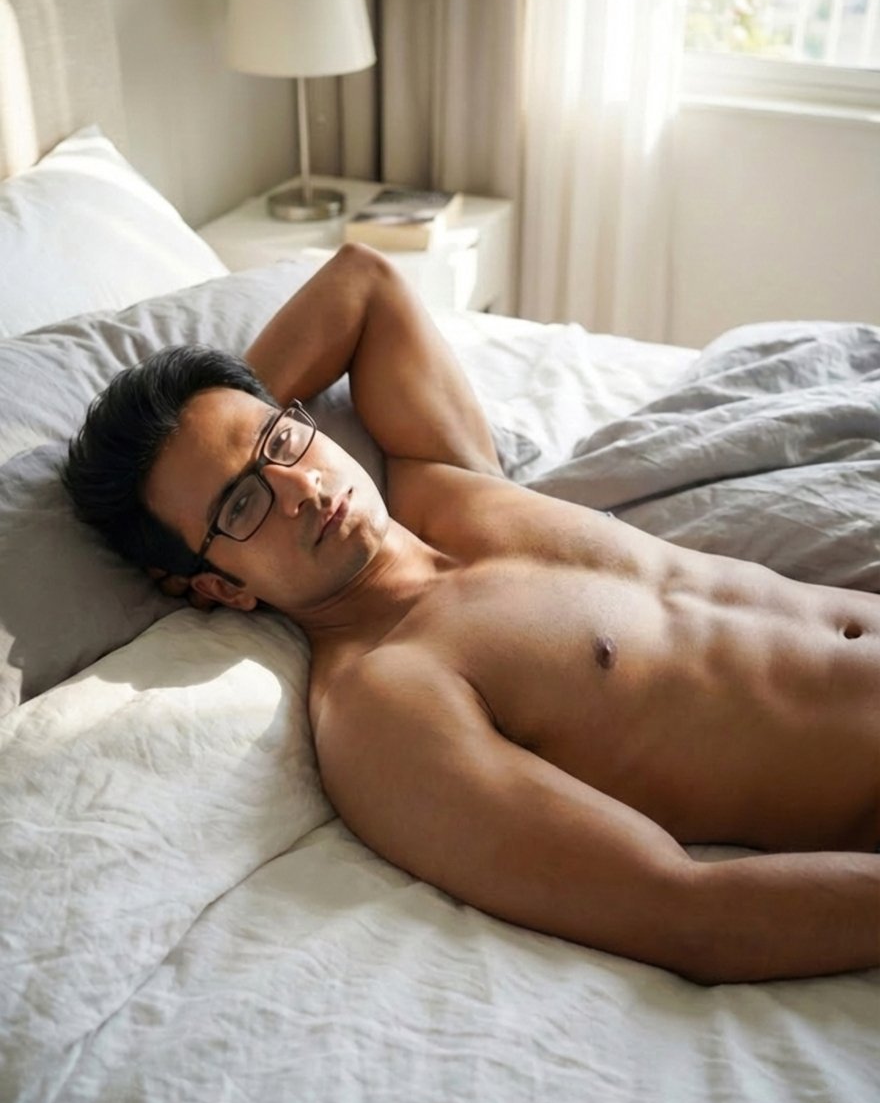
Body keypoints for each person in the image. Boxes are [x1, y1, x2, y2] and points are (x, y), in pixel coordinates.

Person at [64, 243, 879, 986]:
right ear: (219, 588)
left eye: (282, 441)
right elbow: (685, 912)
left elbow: (364, 281)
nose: (302, 488)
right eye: (243, 504)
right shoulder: (385, 702)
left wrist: (224, 425)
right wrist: (226, 450)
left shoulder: (445, 487)